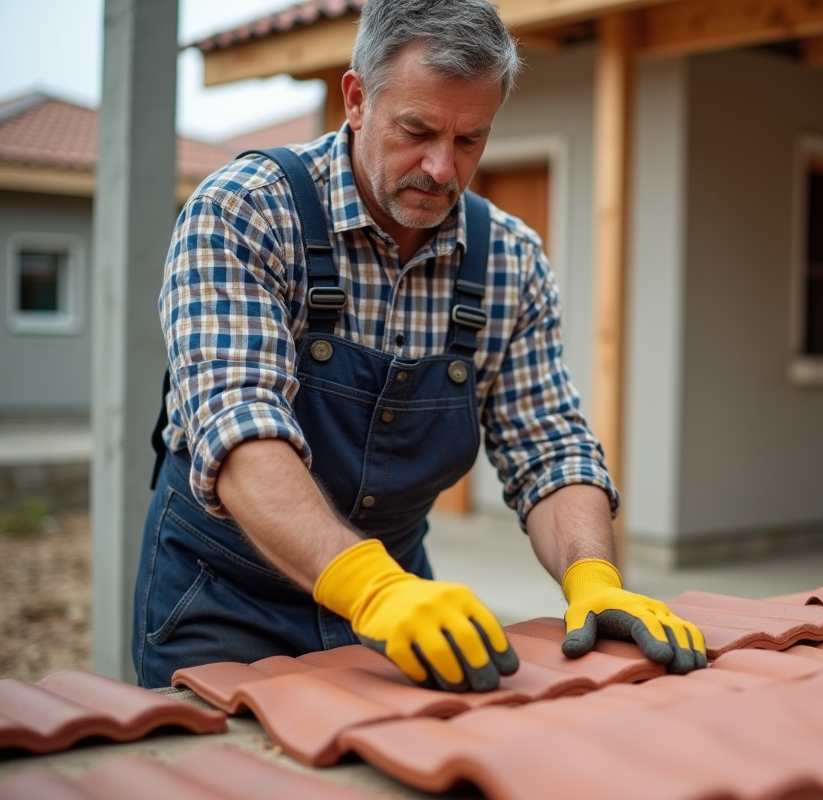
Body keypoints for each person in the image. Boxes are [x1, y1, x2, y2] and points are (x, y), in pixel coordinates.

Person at [132, 0, 705, 691]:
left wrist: (594, 578)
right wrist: (373, 592)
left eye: (471, 141)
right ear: (356, 99)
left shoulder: (509, 260)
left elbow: (548, 446)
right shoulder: (244, 211)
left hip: (400, 604)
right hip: (224, 600)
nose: (441, 168)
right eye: (418, 130)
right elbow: (239, 431)